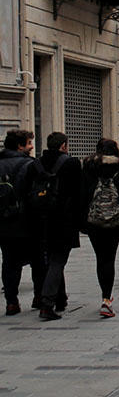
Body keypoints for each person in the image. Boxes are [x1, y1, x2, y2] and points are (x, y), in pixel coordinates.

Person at [24, 132, 81, 320]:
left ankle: (60, 298)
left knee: (51, 260)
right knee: (57, 261)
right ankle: (47, 303)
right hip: (63, 220)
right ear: (63, 146)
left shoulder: (35, 164)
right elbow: (79, 193)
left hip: (39, 220)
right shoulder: (72, 163)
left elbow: (25, 192)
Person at [81, 138, 119, 318]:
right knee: (110, 259)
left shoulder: (88, 167)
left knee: (100, 259)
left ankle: (105, 295)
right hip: (114, 222)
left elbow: (83, 195)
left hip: (94, 221)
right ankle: (106, 300)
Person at [0, 130, 37, 315]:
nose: (31, 146)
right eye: (29, 143)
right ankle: (39, 298)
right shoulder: (29, 165)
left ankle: (11, 302)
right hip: (26, 221)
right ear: (20, 146)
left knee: (9, 262)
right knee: (37, 260)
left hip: (3, 223)